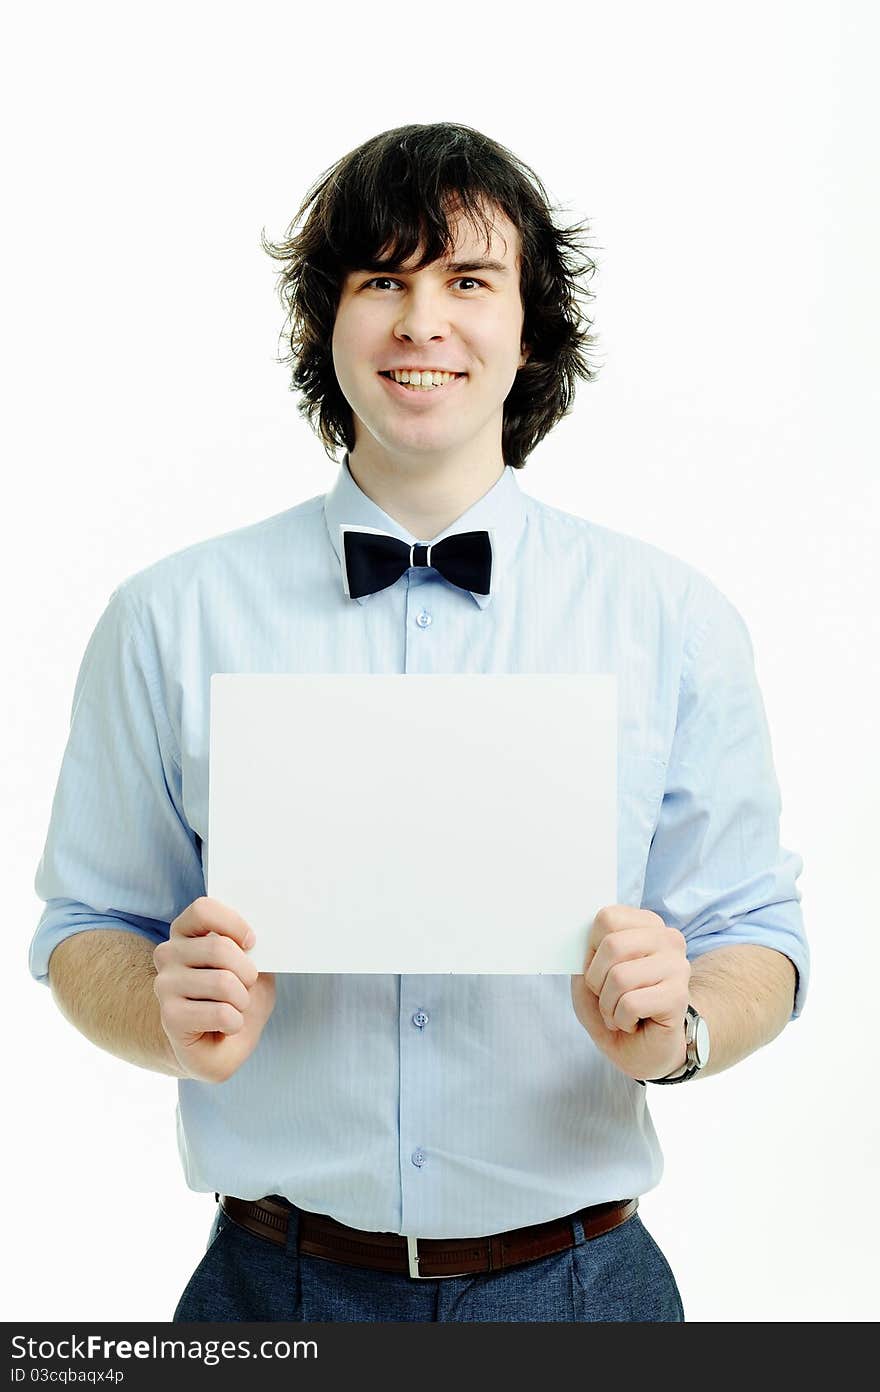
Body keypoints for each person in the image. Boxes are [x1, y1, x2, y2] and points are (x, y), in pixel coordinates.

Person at [29, 122, 809, 1324]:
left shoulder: (672, 620)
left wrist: (683, 1026)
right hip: (268, 1293)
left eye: (467, 281)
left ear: (529, 327)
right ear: (322, 323)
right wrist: (163, 1010)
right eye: (380, 279)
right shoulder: (168, 619)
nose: (420, 319)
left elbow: (757, 929)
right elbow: (87, 926)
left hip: (584, 1291)